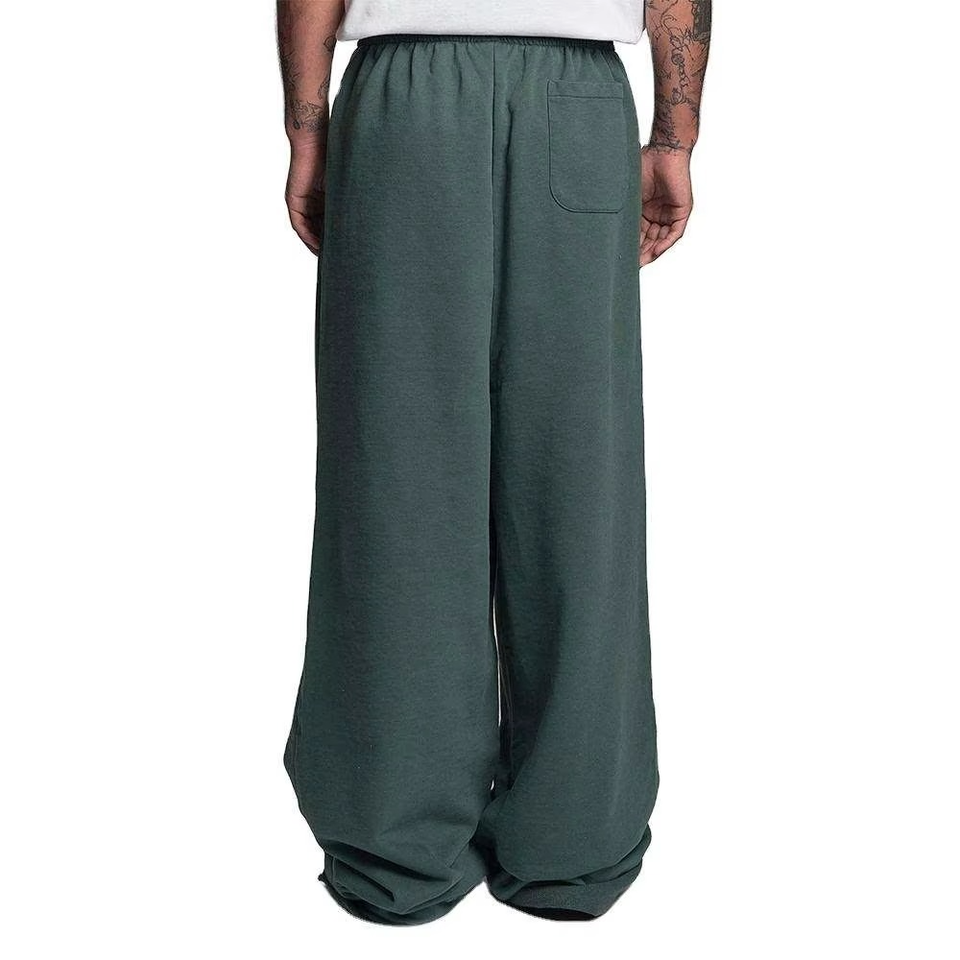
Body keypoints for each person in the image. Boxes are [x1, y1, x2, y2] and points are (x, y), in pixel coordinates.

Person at [278, 0, 710, 925]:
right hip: (578, 102)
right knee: (578, 480)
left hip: (404, 104)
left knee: (395, 475)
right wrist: (674, 136)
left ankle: (393, 842)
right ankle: (575, 842)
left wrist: (307, 130)